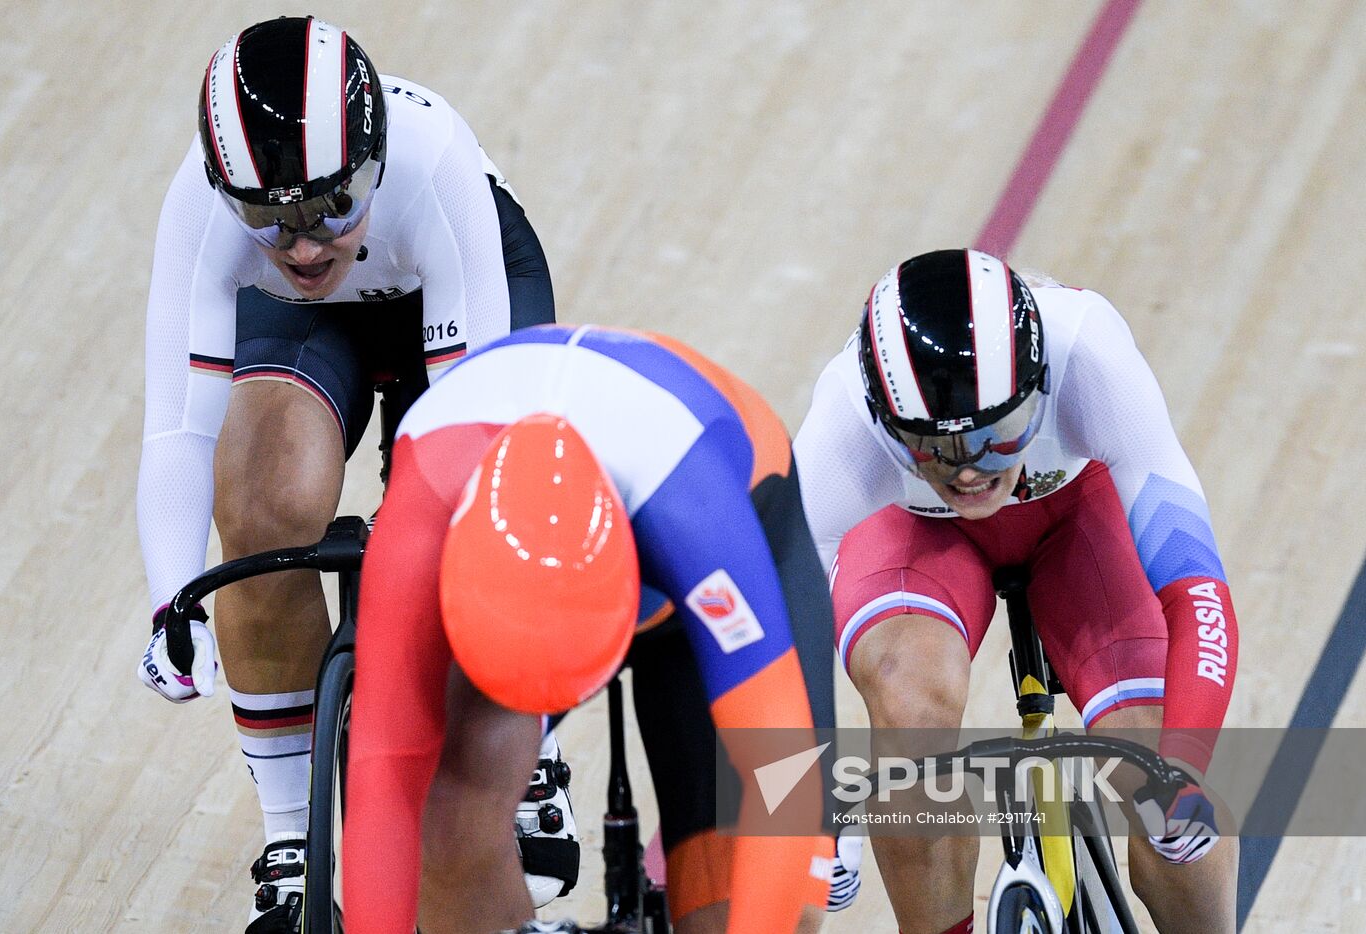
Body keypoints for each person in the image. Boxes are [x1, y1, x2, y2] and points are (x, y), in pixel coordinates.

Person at [132, 17, 572, 930]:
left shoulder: (433, 157)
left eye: (333, 207)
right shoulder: (200, 206)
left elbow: (472, 445)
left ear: (373, 162)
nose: (303, 245)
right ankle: (292, 841)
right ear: (227, 192)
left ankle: (529, 755)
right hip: (305, 326)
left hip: (447, 291)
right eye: (270, 216)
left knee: (483, 514)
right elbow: (178, 430)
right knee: (258, 504)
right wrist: (173, 600)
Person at [794, 249, 1239, 933]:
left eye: (998, 436)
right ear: (886, 424)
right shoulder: (842, 425)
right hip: (916, 536)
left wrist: (1185, 771)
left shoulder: (1089, 353)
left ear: (1039, 385)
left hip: (1075, 514)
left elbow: (1198, 593)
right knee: (910, 723)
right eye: (934, 448)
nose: (971, 474)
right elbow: (779, 636)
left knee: (1156, 768)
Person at [341, 325, 838, 933]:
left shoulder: (696, 511)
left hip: (739, 523)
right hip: (549, 565)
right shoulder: (416, 536)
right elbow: (383, 779)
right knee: (445, 818)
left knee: (769, 904)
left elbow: (783, 785)